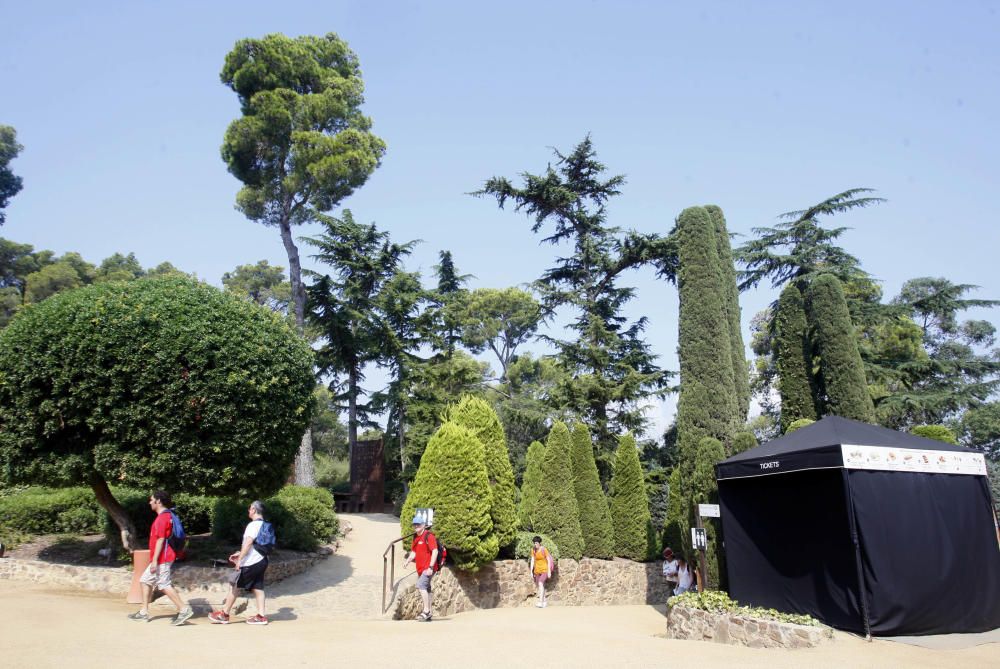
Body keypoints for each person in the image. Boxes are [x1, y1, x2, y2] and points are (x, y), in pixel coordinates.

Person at [128, 490, 194, 625]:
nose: (150, 502)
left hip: (162, 557)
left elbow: (161, 540)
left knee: (163, 584)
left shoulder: (163, 518)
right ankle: (143, 612)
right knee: (145, 580)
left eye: (151, 500)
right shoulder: (166, 516)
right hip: (162, 557)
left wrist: (154, 561)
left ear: (158, 501)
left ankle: (184, 609)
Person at [208, 500, 270, 625]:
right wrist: (239, 553)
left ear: (253, 510)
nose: (248, 511)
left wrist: (240, 559)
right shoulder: (266, 525)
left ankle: (224, 614)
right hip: (262, 560)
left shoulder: (252, 525)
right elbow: (256, 546)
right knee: (258, 587)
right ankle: (261, 616)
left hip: (251, 562)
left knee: (234, 585)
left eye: (250, 508)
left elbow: (248, 543)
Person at [403, 515, 438, 622]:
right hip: (420, 568)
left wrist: (431, 567)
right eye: (415, 524)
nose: (416, 526)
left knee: (421, 585)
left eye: (418, 524)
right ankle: (429, 613)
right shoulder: (416, 537)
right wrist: (408, 561)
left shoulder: (429, 536)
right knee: (426, 588)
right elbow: (414, 551)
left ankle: (426, 611)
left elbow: (435, 551)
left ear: (423, 525)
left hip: (428, 568)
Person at [529, 535, 553, 608]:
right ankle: (544, 601)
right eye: (534, 543)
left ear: (539, 543)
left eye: (536, 543)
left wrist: (549, 571)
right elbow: (532, 560)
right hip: (537, 570)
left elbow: (548, 560)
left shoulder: (543, 550)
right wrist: (531, 571)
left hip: (544, 569)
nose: (535, 544)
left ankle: (540, 602)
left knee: (540, 583)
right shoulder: (533, 550)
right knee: (540, 586)